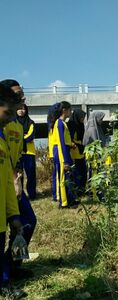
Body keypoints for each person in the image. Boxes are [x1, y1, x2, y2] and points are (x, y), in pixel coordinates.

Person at [1, 79, 36, 285]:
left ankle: (11, 264)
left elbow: (18, 154)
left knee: (27, 221)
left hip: (14, 180)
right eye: (16, 94)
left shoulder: (17, 122)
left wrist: (18, 178)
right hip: (4, 182)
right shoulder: (3, 120)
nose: (20, 98)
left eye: (22, 94)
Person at [0, 83, 24, 298]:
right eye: (7, 112)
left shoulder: (2, 141)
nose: (10, 117)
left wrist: (13, 214)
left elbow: (7, 183)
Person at [52, 101, 77, 208]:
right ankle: (64, 203)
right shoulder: (59, 123)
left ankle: (70, 199)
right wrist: (65, 161)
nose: (71, 112)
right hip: (62, 154)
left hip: (66, 152)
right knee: (63, 178)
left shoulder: (63, 123)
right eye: (70, 110)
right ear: (64, 110)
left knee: (68, 178)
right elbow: (61, 142)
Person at [16, 104, 36, 200]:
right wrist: (23, 136)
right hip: (18, 152)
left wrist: (20, 138)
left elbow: (30, 136)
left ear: (26, 110)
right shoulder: (13, 124)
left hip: (29, 153)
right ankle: (20, 195)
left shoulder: (31, 123)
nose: (21, 111)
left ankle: (32, 194)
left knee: (31, 174)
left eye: (23, 109)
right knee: (19, 175)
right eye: (19, 109)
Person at [67, 109, 87, 195]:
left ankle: (82, 189)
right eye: (82, 117)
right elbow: (69, 138)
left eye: (83, 117)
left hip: (80, 150)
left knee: (83, 171)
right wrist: (74, 144)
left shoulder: (81, 125)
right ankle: (77, 190)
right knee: (76, 172)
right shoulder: (71, 124)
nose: (83, 119)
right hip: (74, 151)